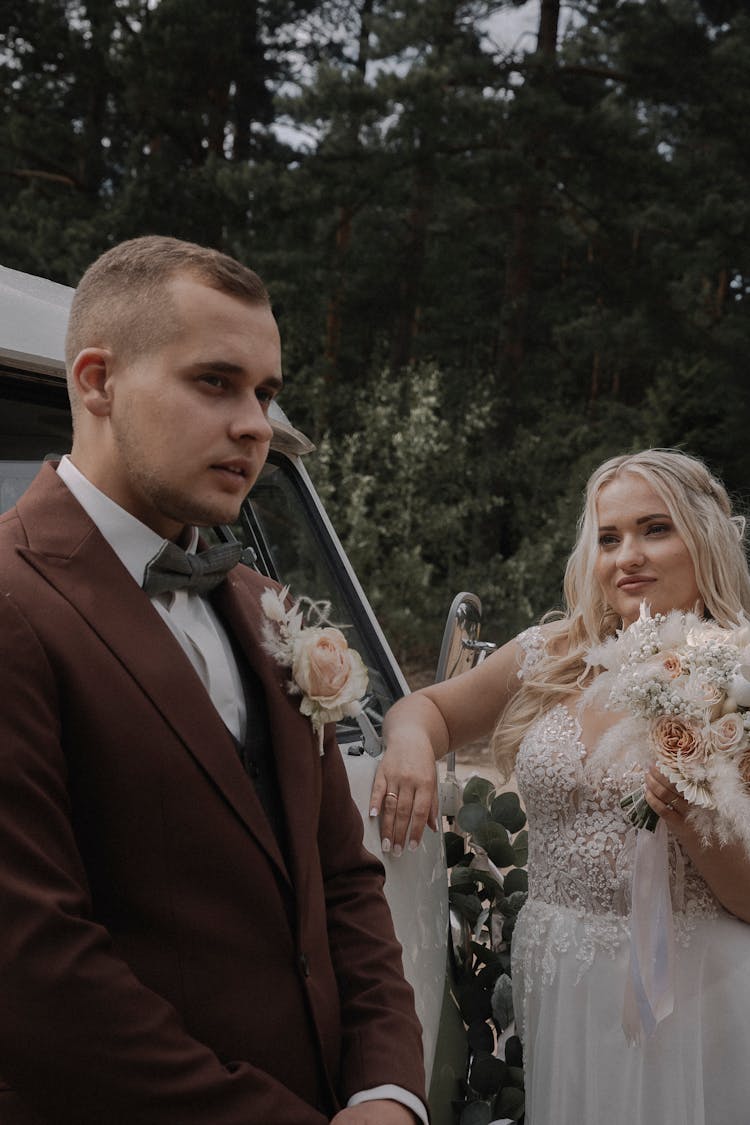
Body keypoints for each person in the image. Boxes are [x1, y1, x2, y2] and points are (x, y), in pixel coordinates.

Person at [0, 235, 427, 1125]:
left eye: (265, 393)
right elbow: (34, 965)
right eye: (215, 382)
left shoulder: (267, 603)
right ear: (95, 381)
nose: (257, 425)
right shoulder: (11, 599)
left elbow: (343, 878)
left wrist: (387, 1089)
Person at [370, 448, 750, 1125]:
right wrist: (408, 745)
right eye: (609, 537)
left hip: (692, 988)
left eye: (654, 529)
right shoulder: (555, 652)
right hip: (562, 972)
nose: (627, 554)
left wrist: (689, 814)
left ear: (705, 537)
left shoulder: (737, 676)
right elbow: (425, 709)